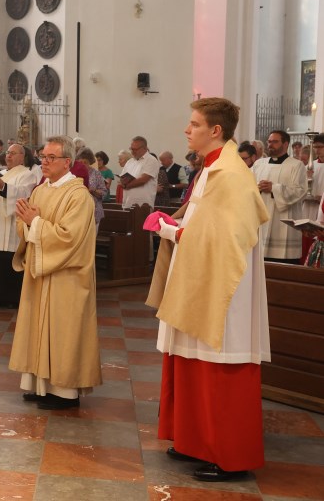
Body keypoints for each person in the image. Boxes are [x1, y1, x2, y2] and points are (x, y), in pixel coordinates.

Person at [146, 97, 269, 482]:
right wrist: (176, 223)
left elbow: (227, 237)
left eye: (194, 124)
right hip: (199, 273)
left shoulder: (230, 173)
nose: (187, 129)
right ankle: (196, 441)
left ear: (215, 131)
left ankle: (230, 454)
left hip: (224, 287)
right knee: (191, 359)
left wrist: (170, 230)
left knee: (218, 365)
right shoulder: (211, 168)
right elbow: (204, 220)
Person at [9, 136, 101, 410]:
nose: (44, 162)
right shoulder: (40, 190)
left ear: (67, 162)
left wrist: (35, 222)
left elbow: (69, 238)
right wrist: (27, 223)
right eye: (43, 157)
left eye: (51, 158)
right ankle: (40, 385)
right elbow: (25, 225)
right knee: (38, 328)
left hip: (66, 276)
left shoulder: (78, 195)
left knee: (63, 332)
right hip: (41, 273)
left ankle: (63, 391)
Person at [0, 143, 39, 308]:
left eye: (13, 153)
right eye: (7, 153)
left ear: (22, 156)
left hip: (11, 225)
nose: (9, 156)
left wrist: (4, 187)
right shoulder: (0, 174)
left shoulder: (27, 175)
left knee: (6, 259)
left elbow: (24, 194)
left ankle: (9, 298)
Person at [251, 130, 308, 262]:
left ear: (285, 144)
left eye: (275, 142)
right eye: (269, 142)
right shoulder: (259, 164)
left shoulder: (296, 165)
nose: (270, 145)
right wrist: (256, 188)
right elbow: (247, 186)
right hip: (261, 221)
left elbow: (300, 191)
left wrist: (274, 188)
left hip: (283, 224)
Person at [120, 136, 161, 208]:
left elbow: (143, 179)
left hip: (143, 204)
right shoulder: (130, 161)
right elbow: (122, 178)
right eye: (131, 149)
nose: (132, 151)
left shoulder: (151, 160)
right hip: (128, 202)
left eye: (135, 149)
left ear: (144, 148)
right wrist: (122, 182)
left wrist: (126, 185)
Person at [76, 148, 108, 229]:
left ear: (90, 162)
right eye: (80, 162)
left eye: (85, 162)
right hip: (77, 210)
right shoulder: (74, 173)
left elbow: (104, 192)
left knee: (91, 239)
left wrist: (93, 190)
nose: (82, 164)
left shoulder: (96, 173)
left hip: (94, 211)